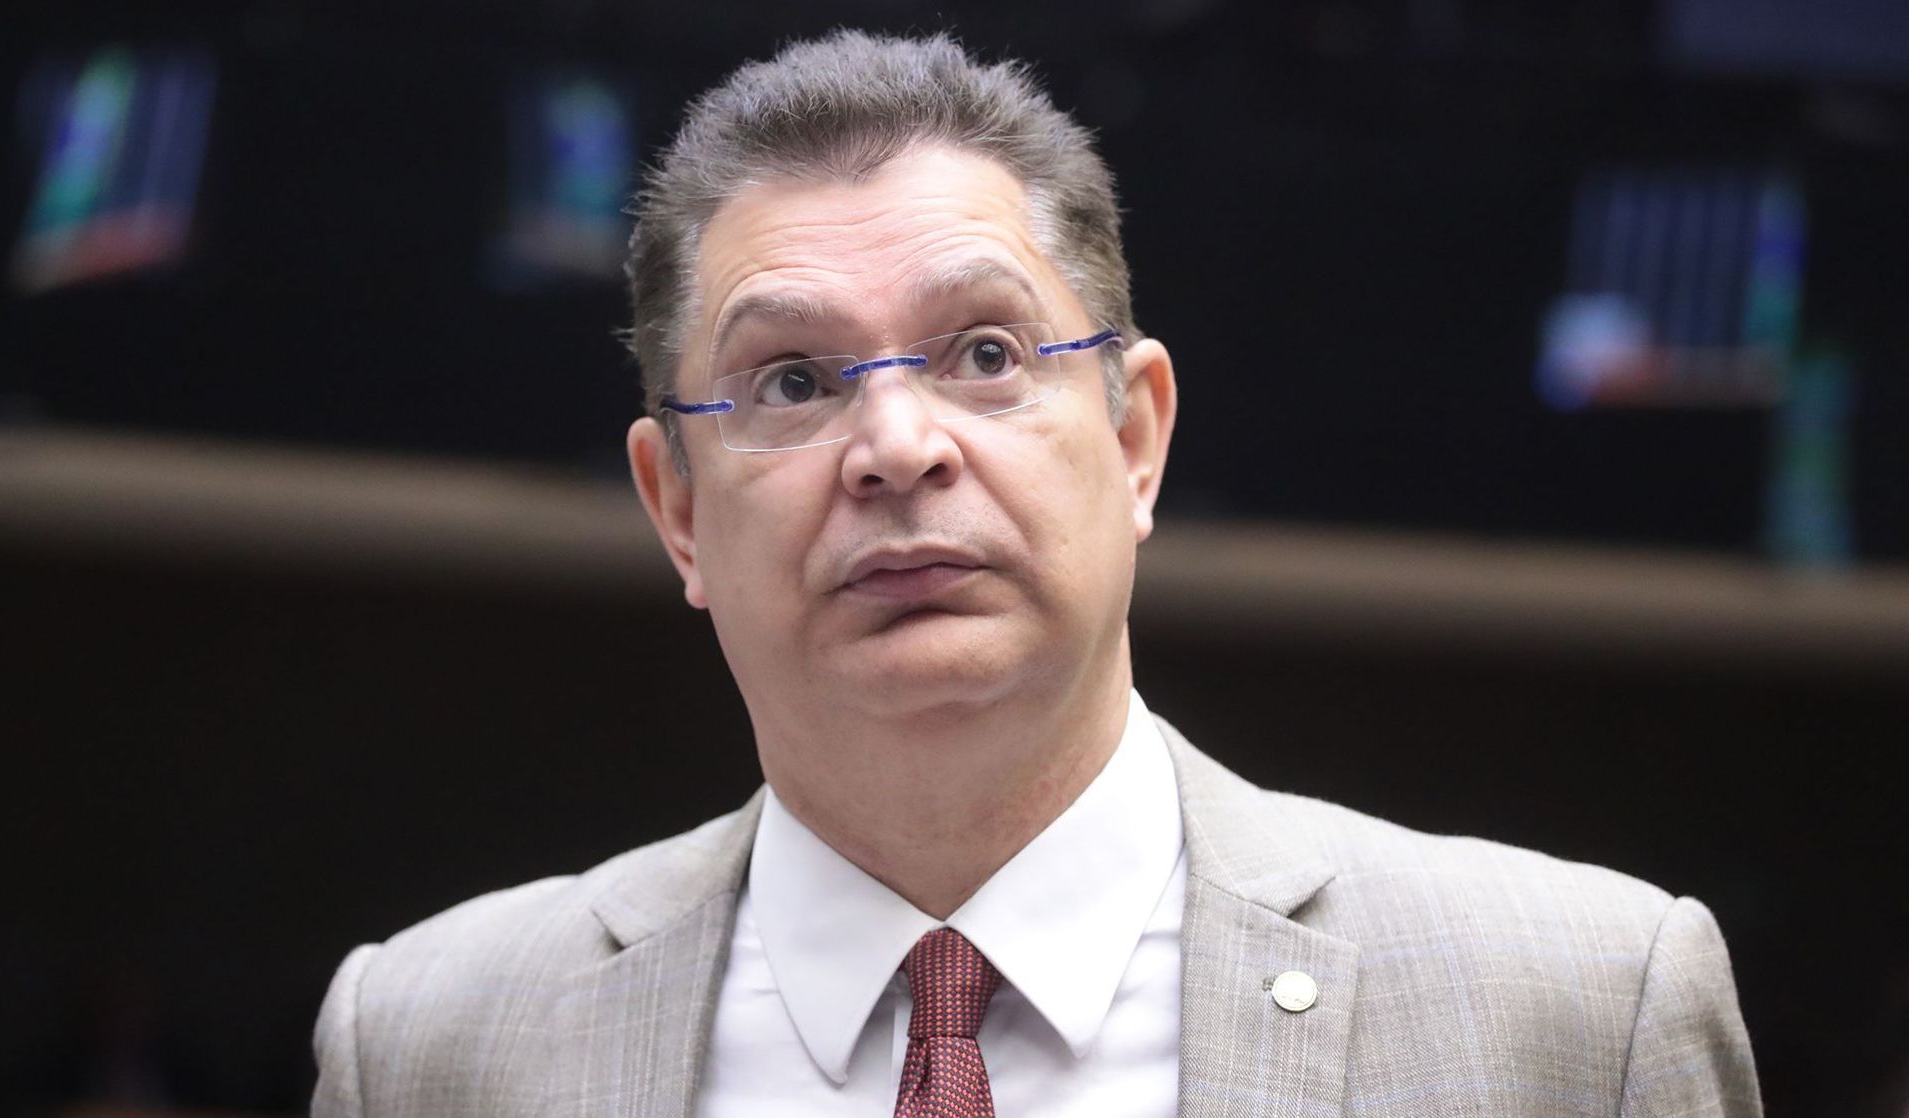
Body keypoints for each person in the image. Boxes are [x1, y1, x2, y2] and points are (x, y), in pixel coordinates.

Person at [310, 31, 1760, 1117]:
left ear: (1134, 439)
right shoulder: (432, 1047)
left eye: (987, 353)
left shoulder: (1578, 1017)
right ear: (677, 507)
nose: (896, 447)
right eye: (793, 379)